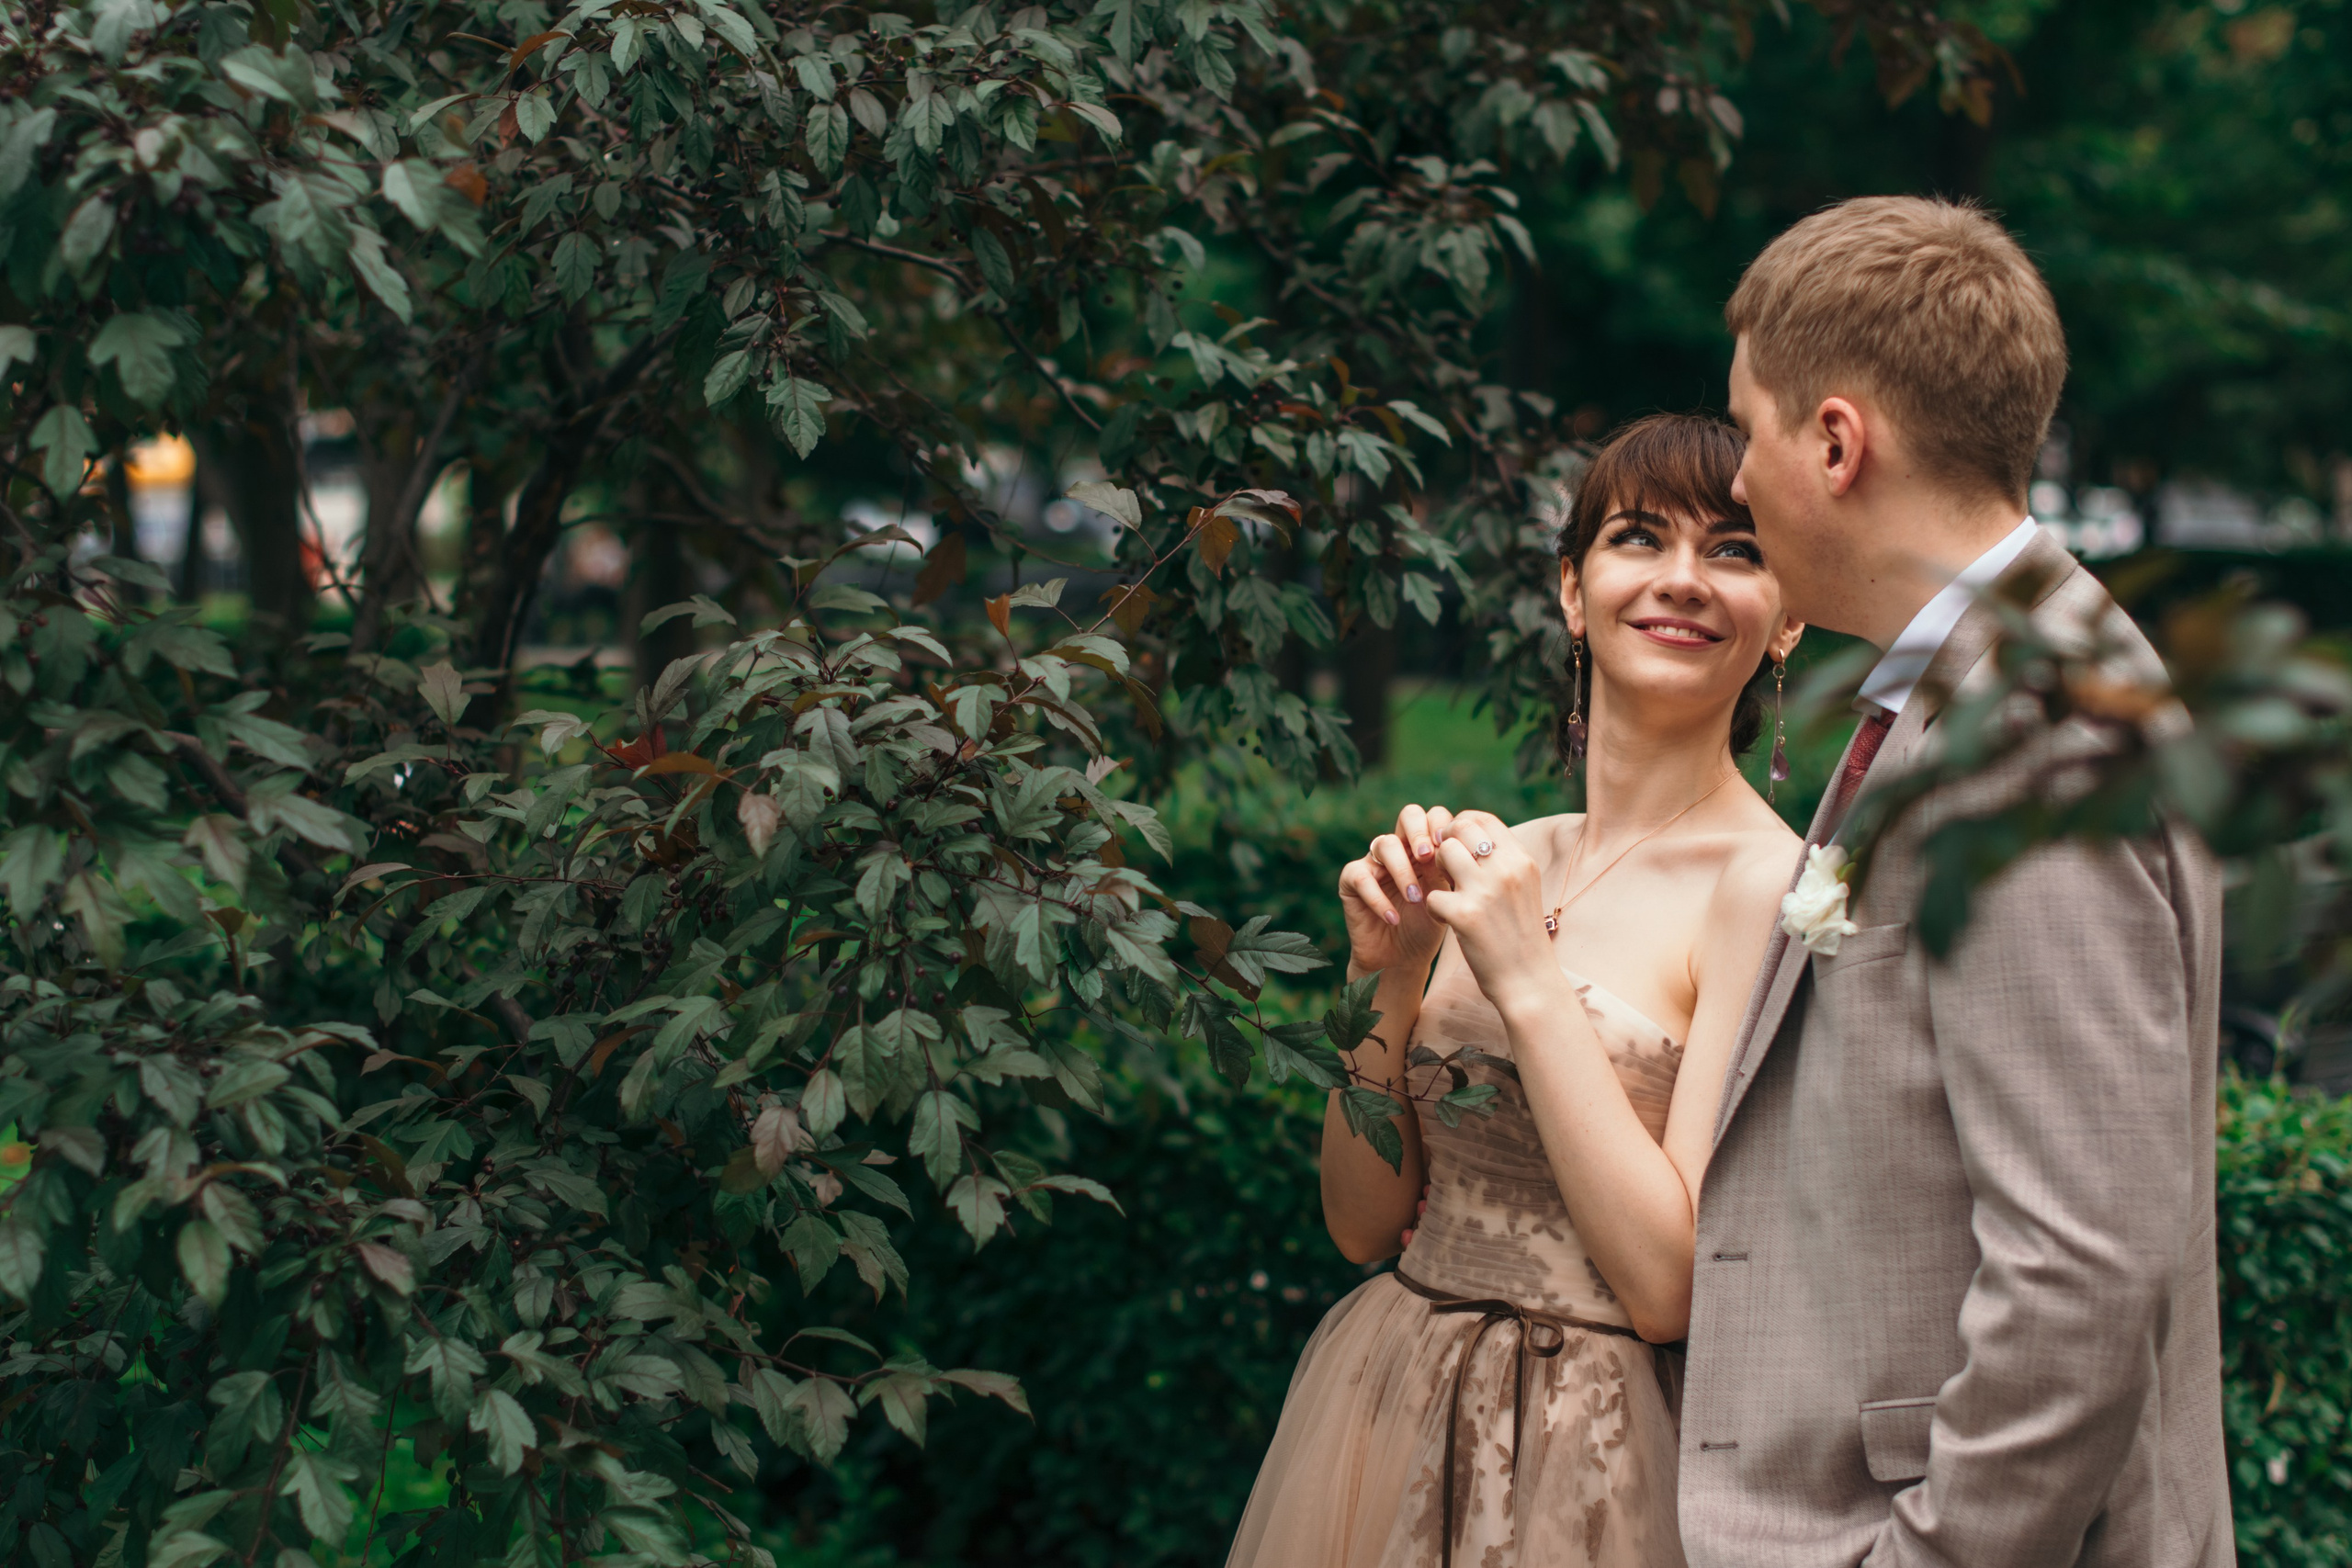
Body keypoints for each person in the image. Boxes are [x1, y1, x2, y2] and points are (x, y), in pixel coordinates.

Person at [1682, 195, 2232, 1566]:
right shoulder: (2000, 676)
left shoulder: (2031, 735)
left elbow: (2081, 1266)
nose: (1738, 481)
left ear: (1835, 439)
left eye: (1748, 429)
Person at [1225, 414, 1807, 1568]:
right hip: (1383, 1405)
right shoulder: (1512, 856)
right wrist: (1381, 976)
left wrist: (1526, 978)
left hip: (1589, 1463)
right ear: (1570, 590)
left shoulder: (1769, 887)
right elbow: (1360, 1225)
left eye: (1735, 548)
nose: (1682, 580)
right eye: (1638, 539)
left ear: (1788, 617)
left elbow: (1666, 1286)